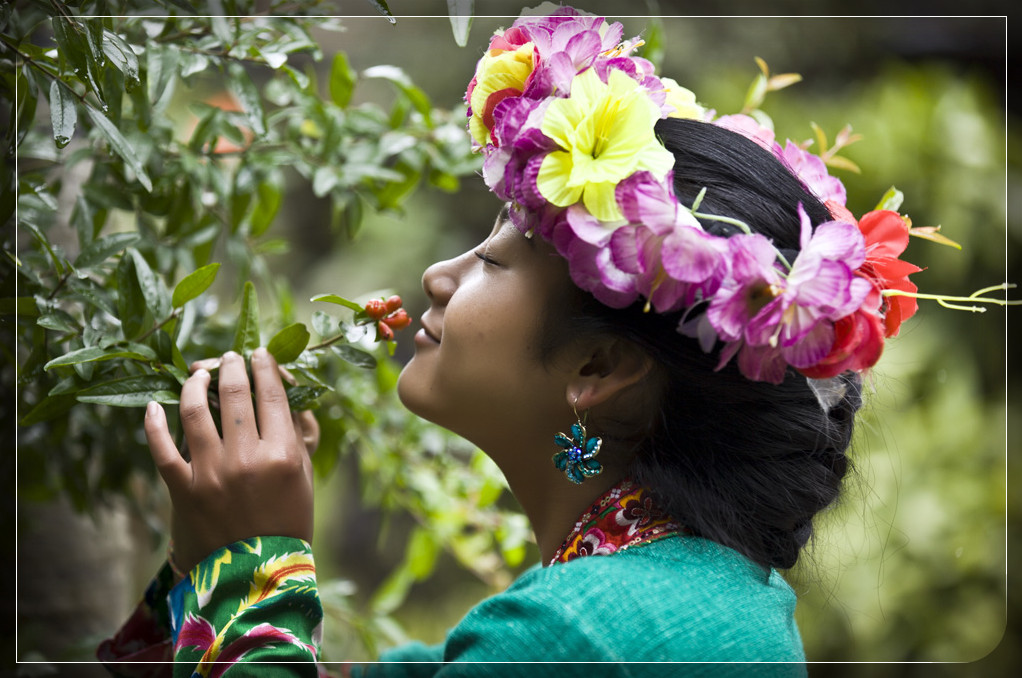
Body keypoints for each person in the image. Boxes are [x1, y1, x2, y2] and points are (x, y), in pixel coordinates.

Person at [98, 7, 929, 676]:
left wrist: (257, 560)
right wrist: (209, 552)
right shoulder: (675, 601)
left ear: (598, 366)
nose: (438, 276)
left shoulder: (575, 636)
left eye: (493, 258)